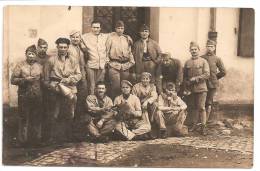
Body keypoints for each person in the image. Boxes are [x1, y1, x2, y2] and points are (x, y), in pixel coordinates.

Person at [44, 37, 82, 143]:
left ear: (68, 48)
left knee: (70, 113)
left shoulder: (73, 60)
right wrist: (53, 87)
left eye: (65, 47)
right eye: (61, 47)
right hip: (55, 88)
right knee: (54, 113)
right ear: (57, 47)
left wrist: (69, 79)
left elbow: (79, 75)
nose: (63, 49)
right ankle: (52, 138)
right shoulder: (51, 60)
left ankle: (67, 137)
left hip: (70, 88)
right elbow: (45, 79)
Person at [11, 45, 43, 146]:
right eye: (29, 53)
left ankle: (36, 140)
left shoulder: (40, 66)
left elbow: (43, 80)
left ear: (36, 55)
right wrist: (25, 80)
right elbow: (13, 80)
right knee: (23, 117)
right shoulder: (20, 65)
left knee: (36, 117)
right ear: (26, 54)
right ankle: (22, 141)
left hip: (37, 95)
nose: (31, 56)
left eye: (33, 54)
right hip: (24, 95)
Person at [183, 41, 210, 136]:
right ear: (189, 51)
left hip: (201, 89)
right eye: (192, 50)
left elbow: (207, 74)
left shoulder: (203, 61)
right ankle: (194, 125)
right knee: (193, 108)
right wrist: (186, 84)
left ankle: (203, 127)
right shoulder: (187, 62)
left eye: (195, 49)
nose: (194, 51)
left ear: (198, 50)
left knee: (201, 107)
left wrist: (196, 78)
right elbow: (185, 76)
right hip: (191, 89)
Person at [106, 20, 135, 99]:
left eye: (122, 28)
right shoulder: (110, 38)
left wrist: (131, 62)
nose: (120, 30)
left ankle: (124, 104)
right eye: (118, 28)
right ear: (115, 29)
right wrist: (109, 63)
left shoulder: (127, 38)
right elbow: (107, 51)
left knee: (125, 87)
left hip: (125, 65)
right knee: (115, 87)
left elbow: (130, 51)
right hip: (114, 65)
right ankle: (115, 104)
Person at [201, 40, 226, 123]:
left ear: (214, 48)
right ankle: (200, 121)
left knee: (208, 102)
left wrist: (215, 77)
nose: (209, 48)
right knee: (201, 102)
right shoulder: (201, 58)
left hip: (212, 84)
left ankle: (205, 122)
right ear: (206, 47)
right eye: (208, 46)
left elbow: (223, 72)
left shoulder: (217, 59)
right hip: (202, 83)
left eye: (211, 46)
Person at [81, 21, 109, 95]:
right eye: (94, 27)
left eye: (97, 27)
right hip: (91, 64)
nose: (96, 29)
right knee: (91, 85)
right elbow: (77, 39)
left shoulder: (105, 36)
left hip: (102, 65)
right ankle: (91, 102)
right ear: (91, 28)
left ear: (100, 28)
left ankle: (99, 101)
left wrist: (126, 37)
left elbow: (115, 35)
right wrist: (83, 47)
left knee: (100, 85)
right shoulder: (85, 36)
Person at [132, 24, 162, 91]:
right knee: (140, 80)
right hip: (140, 64)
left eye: (146, 31)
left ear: (148, 33)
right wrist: (133, 70)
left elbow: (160, 54)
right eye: (142, 31)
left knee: (151, 81)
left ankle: (152, 95)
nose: (144, 33)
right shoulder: (136, 44)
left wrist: (155, 62)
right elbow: (132, 57)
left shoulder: (154, 43)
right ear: (140, 33)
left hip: (151, 64)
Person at [69, 30, 88, 120]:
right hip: (73, 75)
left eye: (77, 37)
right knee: (73, 97)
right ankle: (72, 118)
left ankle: (79, 117)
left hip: (82, 74)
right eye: (73, 37)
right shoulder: (68, 48)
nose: (75, 39)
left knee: (82, 95)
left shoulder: (80, 48)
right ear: (70, 38)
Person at [132, 72, 157, 137]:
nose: (145, 80)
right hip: (138, 105)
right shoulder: (136, 87)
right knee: (144, 112)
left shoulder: (152, 86)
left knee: (155, 104)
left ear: (149, 80)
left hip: (148, 105)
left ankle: (152, 123)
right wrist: (140, 105)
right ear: (141, 79)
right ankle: (147, 129)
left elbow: (154, 96)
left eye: (147, 79)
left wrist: (146, 102)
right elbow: (134, 98)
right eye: (143, 79)